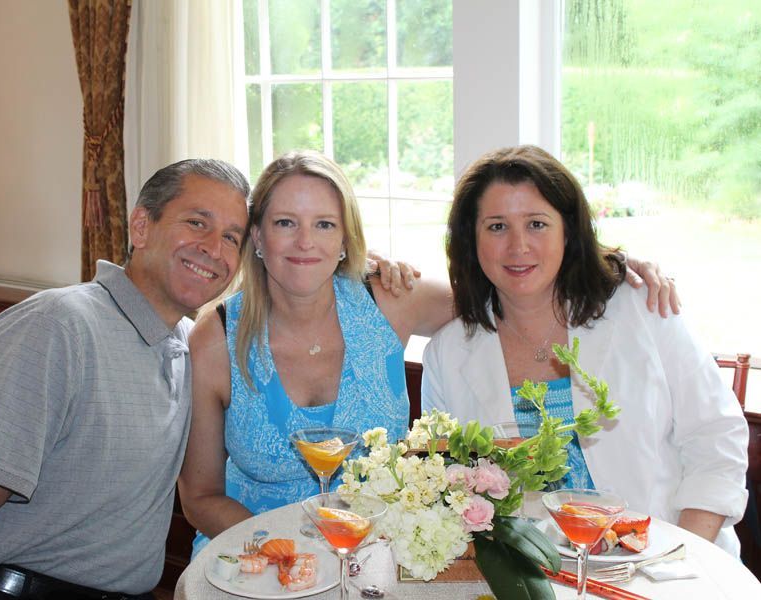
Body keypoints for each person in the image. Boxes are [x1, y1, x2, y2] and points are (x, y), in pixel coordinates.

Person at [177, 149, 678, 555]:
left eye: (325, 225)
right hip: (252, 553)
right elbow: (199, 497)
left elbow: (509, 282)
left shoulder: (390, 301)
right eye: (286, 222)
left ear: (347, 237)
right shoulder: (215, 339)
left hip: (374, 555)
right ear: (257, 236)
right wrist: (286, 551)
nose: (306, 242)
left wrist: (610, 265)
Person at [0, 159, 251, 600]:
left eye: (231, 237)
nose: (214, 248)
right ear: (141, 227)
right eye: (197, 223)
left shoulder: (191, 344)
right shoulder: (55, 327)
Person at [421, 145, 749, 554]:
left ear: (569, 231)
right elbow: (449, 489)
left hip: (668, 559)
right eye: (497, 227)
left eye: (537, 224)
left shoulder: (642, 307)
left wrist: (685, 555)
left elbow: (715, 435)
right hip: (533, 573)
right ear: (471, 239)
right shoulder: (448, 354)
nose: (518, 246)